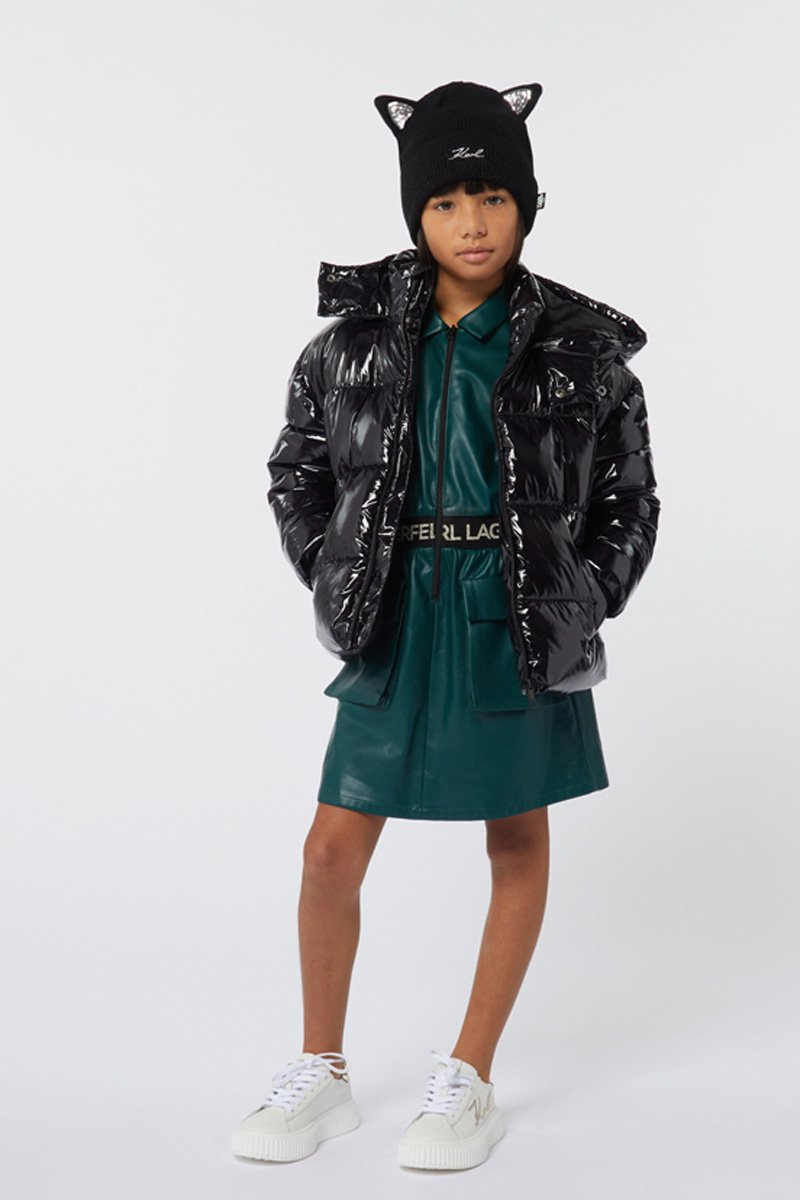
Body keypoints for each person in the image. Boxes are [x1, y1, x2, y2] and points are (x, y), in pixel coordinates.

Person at [231, 80, 660, 1172]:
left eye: (492, 197)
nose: (471, 222)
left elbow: (629, 497)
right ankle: (321, 1070)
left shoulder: (582, 349)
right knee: (331, 847)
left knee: (514, 838)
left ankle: (468, 1075)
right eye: (445, 202)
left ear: (525, 204)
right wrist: (336, 568)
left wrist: (579, 592)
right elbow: (296, 472)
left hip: (512, 614)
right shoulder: (349, 345)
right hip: (392, 609)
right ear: (416, 212)